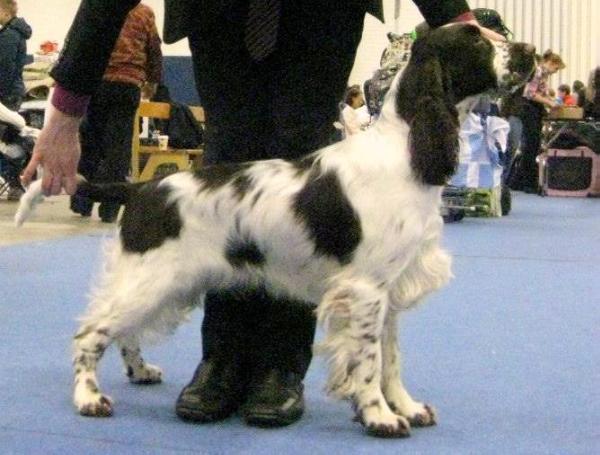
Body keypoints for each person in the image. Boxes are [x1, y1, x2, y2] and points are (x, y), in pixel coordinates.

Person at [22, 0, 505, 429]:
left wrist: (457, 22)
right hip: (220, 13)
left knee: (306, 173)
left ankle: (282, 364)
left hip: (323, 16)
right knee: (229, 155)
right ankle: (223, 359)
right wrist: (65, 110)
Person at [70, 3, 162, 222]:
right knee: (118, 149)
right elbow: (154, 48)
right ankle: (110, 209)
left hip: (96, 83)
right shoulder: (145, 13)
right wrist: (153, 80)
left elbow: (80, 40)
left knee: (90, 144)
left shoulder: (98, 7)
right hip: (127, 85)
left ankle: (81, 202)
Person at [509, 50, 565, 193]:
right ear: (550, 63)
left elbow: (542, 93)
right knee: (531, 145)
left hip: (533, 110)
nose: (555, 72)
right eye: (556, 68)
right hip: (527, 109)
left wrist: (551, 101)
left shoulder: (542, 75)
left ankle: (518, 181)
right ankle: (526, 183)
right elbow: (529, 93)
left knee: (531, 146)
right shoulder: (538, 72)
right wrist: (549, 102)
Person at [0, 0, 31, 112]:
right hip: (13, 91)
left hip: (7, 94)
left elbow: (5, 67)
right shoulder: (13, 32)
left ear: (6, 13)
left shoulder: (9, 35)